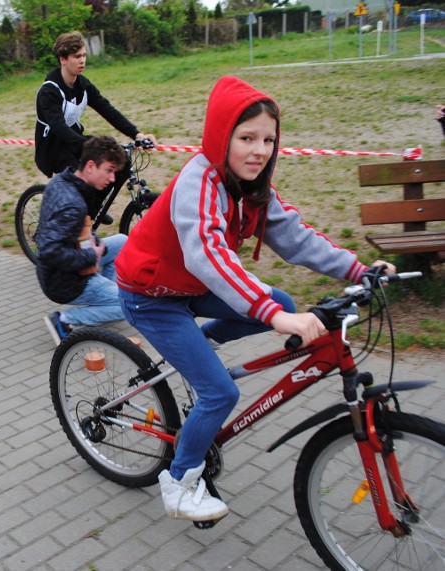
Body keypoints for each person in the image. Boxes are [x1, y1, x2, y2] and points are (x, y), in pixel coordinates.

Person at [115, 76, 396, 522]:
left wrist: (359, 270)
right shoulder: (199, 181)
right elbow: (208, 254)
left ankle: (197, 347)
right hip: (151, 294)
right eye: (246, 138)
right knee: (219, 392)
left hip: (191, 285)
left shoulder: (252, 187)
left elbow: (297, 239)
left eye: (268, 139)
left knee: (280, 300)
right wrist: (271, 315)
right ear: (220, 136)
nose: (259, 150)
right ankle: (178, 480)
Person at [34, 31, 157, 222]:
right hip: (53, 148)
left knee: (120, 160)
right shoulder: (50, 90)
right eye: (77, 57)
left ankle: (92, 207)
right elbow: (58, 126)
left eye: (84, 55)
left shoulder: (83, 85)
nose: (82, 61)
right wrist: (88, 147)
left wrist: (137, 134)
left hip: (74, 138)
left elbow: (107, 109)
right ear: (63, 59)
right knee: (85, 175)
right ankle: (75, 218)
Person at [37, 136, 129, 347]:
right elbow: (49, 252)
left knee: (122, 241)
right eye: (109, 170)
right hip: (64, 281)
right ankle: (63, 320)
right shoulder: (72, 204)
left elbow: (75, 232)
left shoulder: (64, 179)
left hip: (68, 263)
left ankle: (106, 301)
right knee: (128, 304)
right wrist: (92, 255)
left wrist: (93, 244)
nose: (113, 178)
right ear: (90, 166)